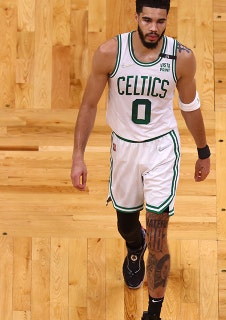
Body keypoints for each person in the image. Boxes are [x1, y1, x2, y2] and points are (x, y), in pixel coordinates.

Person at [69, 1, 210, 319]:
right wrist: (78, 156)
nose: (153, 28)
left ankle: (154, 312)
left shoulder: (182, 58)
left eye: (160, 21)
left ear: (167, 20)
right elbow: (89, 105)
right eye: (147, 20)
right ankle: (135, 246)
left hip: (161, 150)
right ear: (136, 17)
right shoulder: (109, 53)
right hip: (124, 149)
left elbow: (190, 107)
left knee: (159, 232)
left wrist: (203, 152)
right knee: (126, 224)